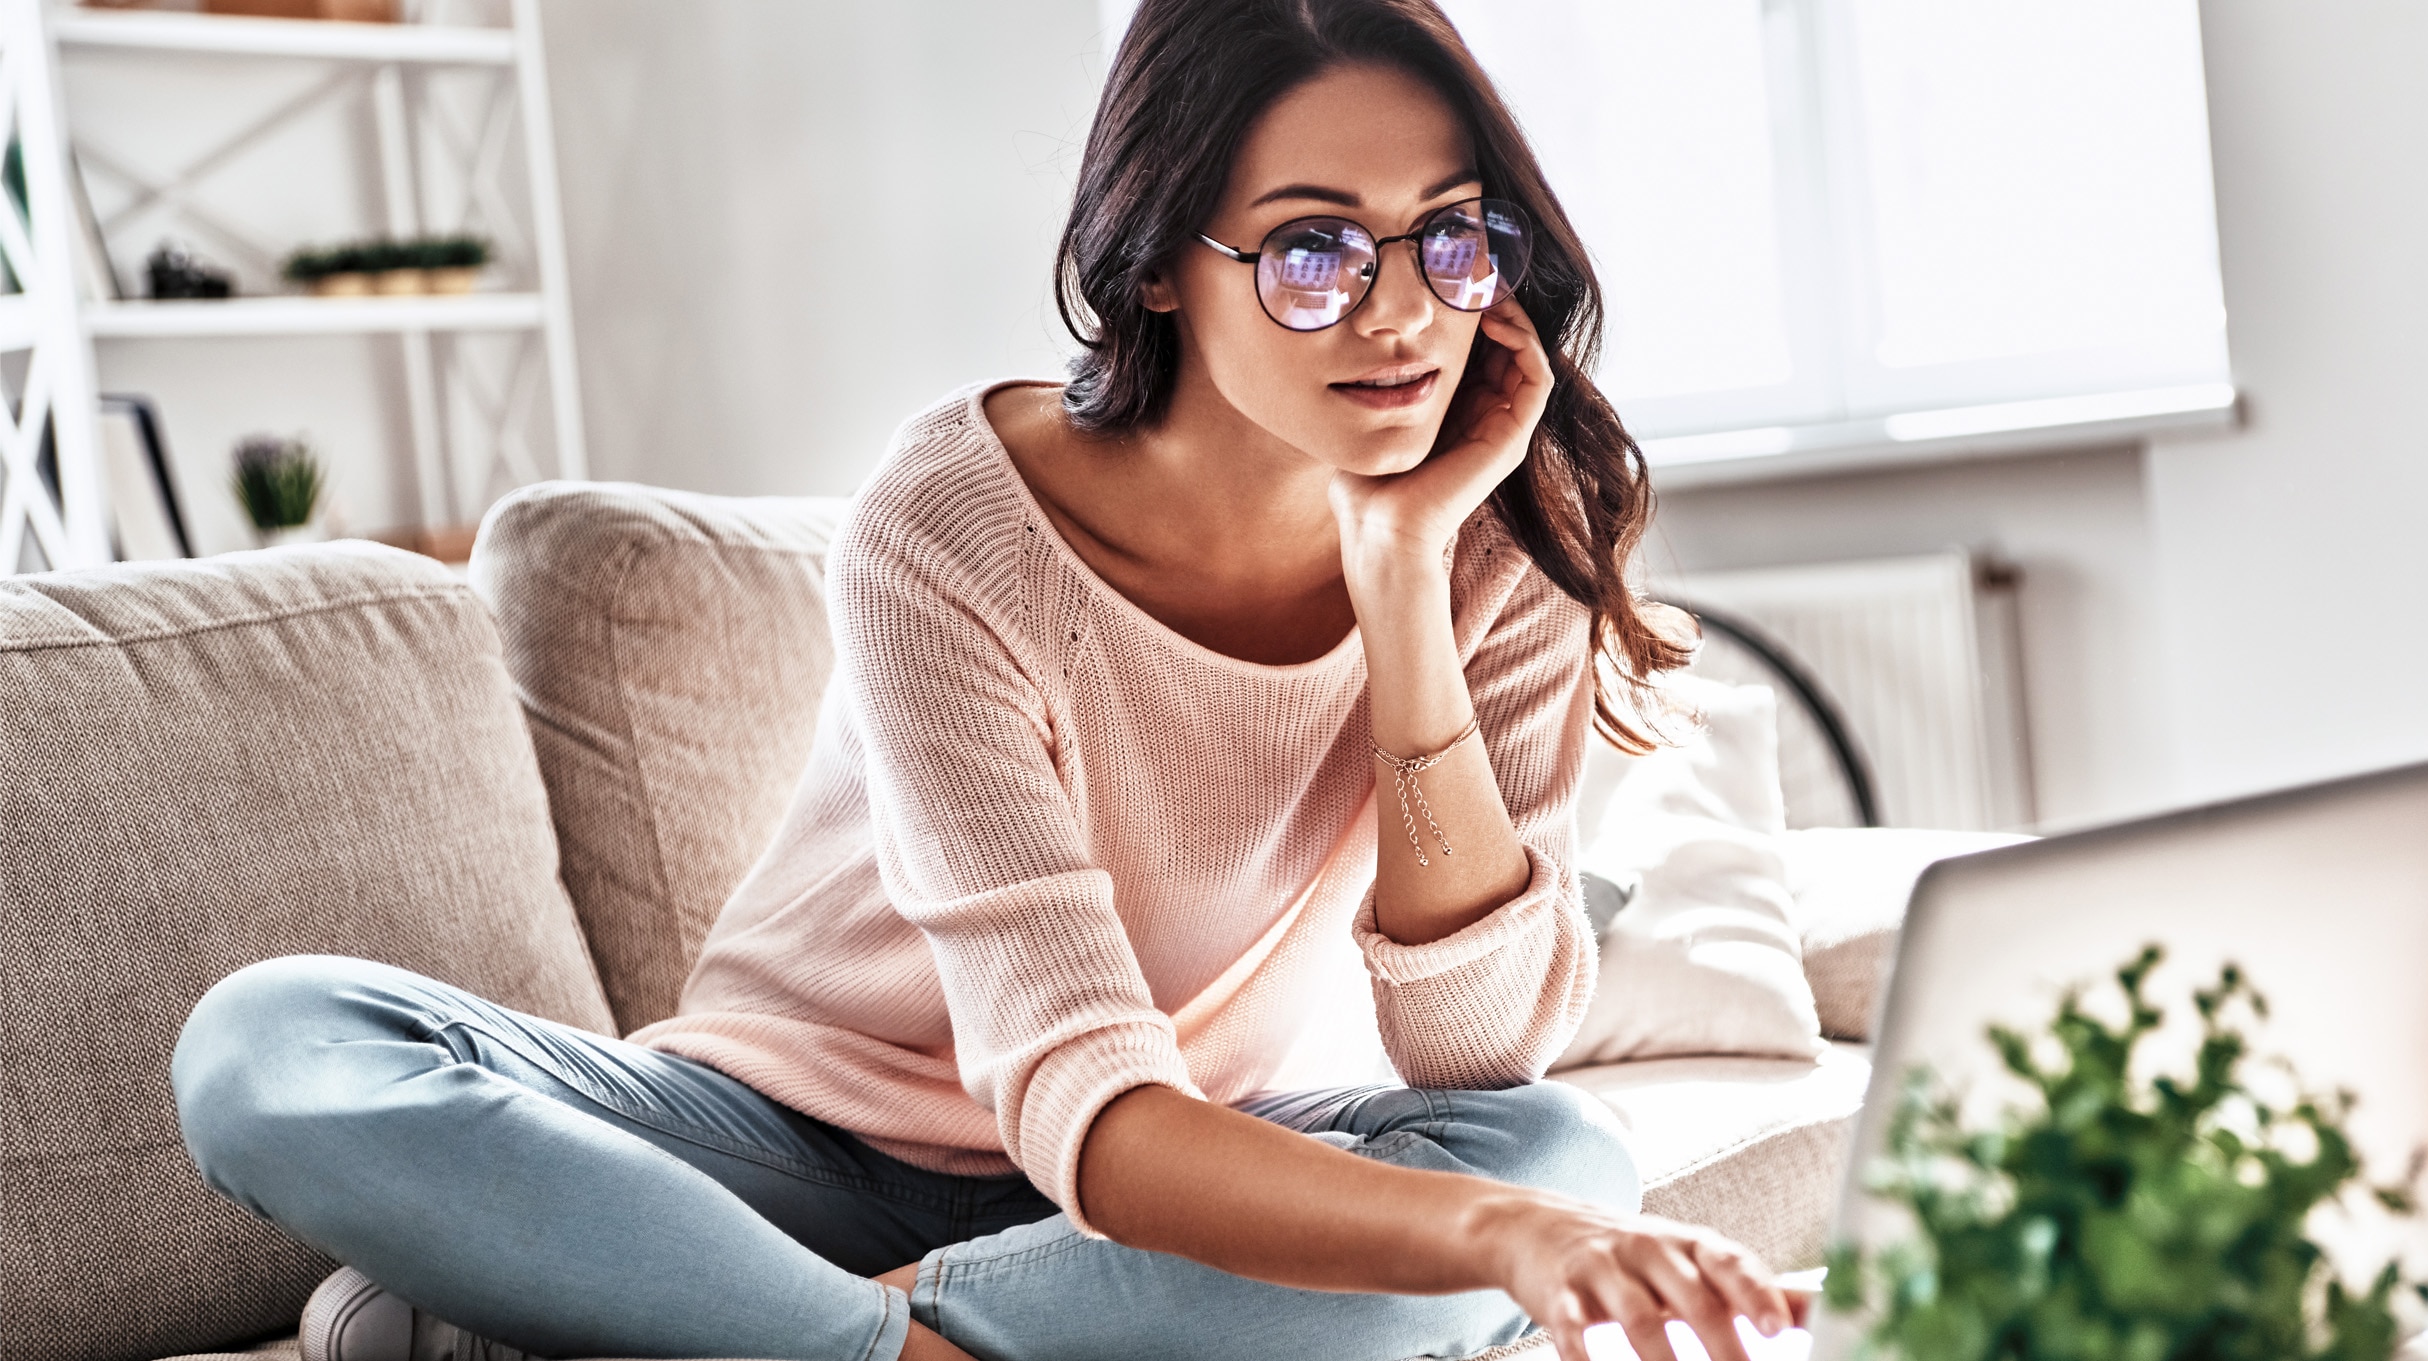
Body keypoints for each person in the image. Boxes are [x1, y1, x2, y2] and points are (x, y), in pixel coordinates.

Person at [168, 2, 1800, 1359]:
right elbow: (1082, 1097)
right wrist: (1490, 1248)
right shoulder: (950, 524)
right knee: (271, 1042)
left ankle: (663, 1323)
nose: (1401, 315)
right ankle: (878, 1346)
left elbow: (1477, 1049)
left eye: (1449, 239)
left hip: (1161, 1176)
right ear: (1159, 261)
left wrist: (1398, 585)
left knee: (1557, 1150)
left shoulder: (1502, 527)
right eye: (1314, 252)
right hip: (778, 1149)